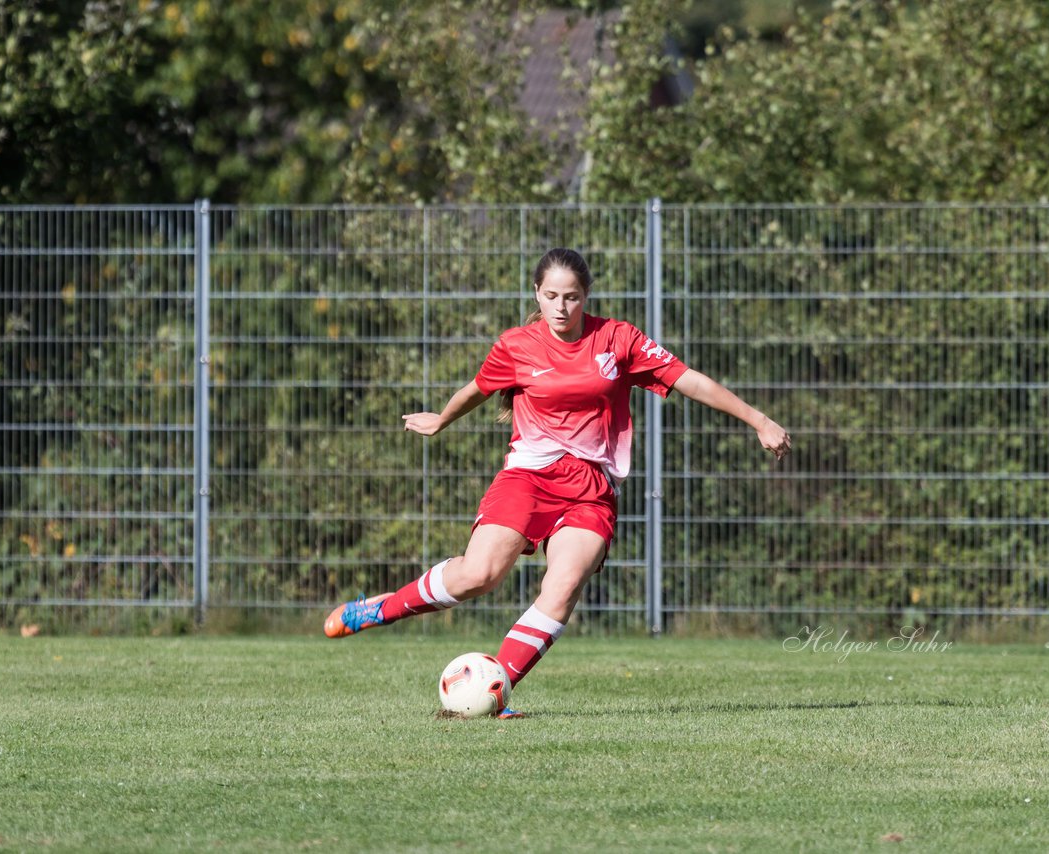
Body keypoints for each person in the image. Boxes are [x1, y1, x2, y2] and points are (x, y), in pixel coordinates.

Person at [323, 247, 791, 717]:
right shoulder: (517, 345)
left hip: (591, 487)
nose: (562, 308)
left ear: (586, 296)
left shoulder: (617, 339)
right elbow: (477, 390)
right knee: (478, 575)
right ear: (537, 294)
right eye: (552, 296)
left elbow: (689, 380)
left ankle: (497, 688)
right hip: (528, 476)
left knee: (564, 585)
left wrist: (758, 419)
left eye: (572, 297)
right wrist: (442, 419)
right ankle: (380, 609)